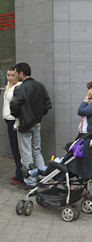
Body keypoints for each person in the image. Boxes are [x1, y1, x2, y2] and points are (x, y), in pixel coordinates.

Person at [10, 62, 51, 190]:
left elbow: (14, 105)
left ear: (21, 73)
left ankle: (31, 181)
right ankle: (43, 178)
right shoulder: (40, 86)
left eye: (16, 73)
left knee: (26, 153)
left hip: (25, 124)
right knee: (37, 150)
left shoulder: (20, 88)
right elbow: (47, 105)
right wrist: (38, 116)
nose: (15, 76)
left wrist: (17, 116)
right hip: (37, 123)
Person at [3, 67, 23, 185]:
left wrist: (16, 123)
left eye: (13, 75)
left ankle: (20, 175)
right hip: (8, 119)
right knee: (14, 148)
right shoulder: (9, 86)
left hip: (14, 121)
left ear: (18, 76)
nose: (10, 78)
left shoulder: (19, 87)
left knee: (17, 149)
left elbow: (19, 107)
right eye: (8, 75)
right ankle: (18, 172)